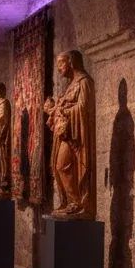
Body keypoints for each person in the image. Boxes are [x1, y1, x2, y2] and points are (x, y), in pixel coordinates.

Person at [46, 50, 96, 218]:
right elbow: (65, 107)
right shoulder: (71, 84)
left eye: (61, 63)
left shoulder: (84, 82)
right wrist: (53, 109)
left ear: (72, 62)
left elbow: (84, 108)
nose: (59, 68)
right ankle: (69, 202)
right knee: (58, 166)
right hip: (65, 133)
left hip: (75, 136)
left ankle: (77, 203)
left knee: (63, 165)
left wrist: (65, 111)